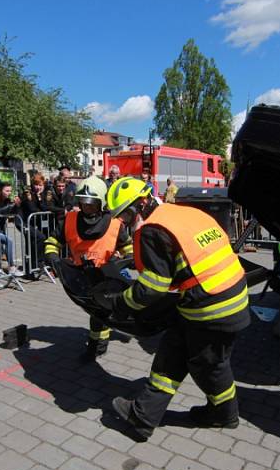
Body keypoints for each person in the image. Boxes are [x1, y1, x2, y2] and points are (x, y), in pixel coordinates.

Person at [103, 177, 250, 440]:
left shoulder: (151, 230)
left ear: (143, 202)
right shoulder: (183, 211)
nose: (124, 221)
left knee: (210, 364)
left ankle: (224, 415)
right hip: (229, 295)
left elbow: (152, 288)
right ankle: (143, 417)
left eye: (126, 213)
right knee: (175, 348)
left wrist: (120, 302)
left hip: (211, 307)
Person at [44, 176, 133, 361]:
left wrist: (129, 258)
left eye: (91, 203)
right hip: (79, 277)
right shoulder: (69, 220)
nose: (87, 207)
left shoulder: (115, 224)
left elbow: (128, 247)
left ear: (101, 203)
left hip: (105, 277)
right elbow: (53, 242)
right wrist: (52, 258)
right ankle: (102, 340)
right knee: (98, 312)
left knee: (100, 312)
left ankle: (97, 348)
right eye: (83, 202)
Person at [0, 182, 24, 277]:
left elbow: (13, 213)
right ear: (0, 191)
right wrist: (13, 204)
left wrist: (17, 205)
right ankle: (11, 267)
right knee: (8, 242)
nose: (9, 193)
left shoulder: (7, 200)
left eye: (10, 191)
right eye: (7, 191)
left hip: (0, 228)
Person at [19, 172, 49, 273]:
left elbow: (45, 208)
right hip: (23, 221)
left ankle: (31, 267)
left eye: (40, 185)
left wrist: (40, 199)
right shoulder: (28, 193)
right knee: (39, 238)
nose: (38, 187)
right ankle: (35, 264)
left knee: (33, 242)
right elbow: (32, 209)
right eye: (36, 185)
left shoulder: (41, 195)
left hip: (32, 222)